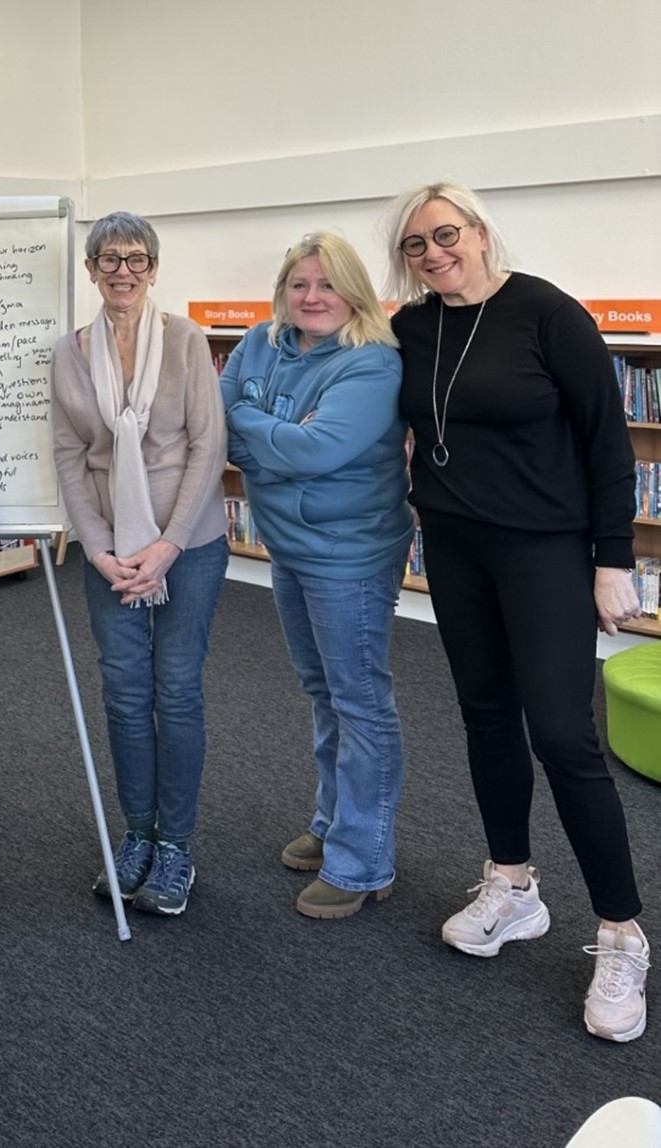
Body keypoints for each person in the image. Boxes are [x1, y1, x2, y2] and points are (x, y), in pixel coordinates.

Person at [386, 178, 649, 1041]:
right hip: (454, 548)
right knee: (486, 719)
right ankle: (513, 885)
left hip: (543, 549)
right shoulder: (410, 327)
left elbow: (608, 445)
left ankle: (620, 933)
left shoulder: (547, 314)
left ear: (479, 231)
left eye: (444, 234)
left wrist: (612, 560)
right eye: (416, 245)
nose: (433, 253)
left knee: (564, 735)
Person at [219, 232, 412, 919]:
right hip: (290, 545)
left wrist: (256, 430)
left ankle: (363, 862)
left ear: (351, 291)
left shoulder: (370, 362)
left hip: (350, 553)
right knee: (323, 692)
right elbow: (222, 421)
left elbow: (319, 449)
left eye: (326, 284)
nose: (311, 298)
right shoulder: (260, 343)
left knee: (357, 698)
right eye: (299, 284)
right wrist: (268, 430)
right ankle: (335, 824)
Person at [51, 211, 228, 916]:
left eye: (135, 258)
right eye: (107, 259)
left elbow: (206, 449)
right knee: (124, 692)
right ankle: (137, 835)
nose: (121, 270)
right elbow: (70, 456)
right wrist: (97, 548)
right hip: (109, 554)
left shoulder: (185, 341)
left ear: (153, 269)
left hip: (187, 546)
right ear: (90, 270)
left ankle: (176, 847)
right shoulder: (69, 352)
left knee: (176, 690)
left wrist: (166, 545)